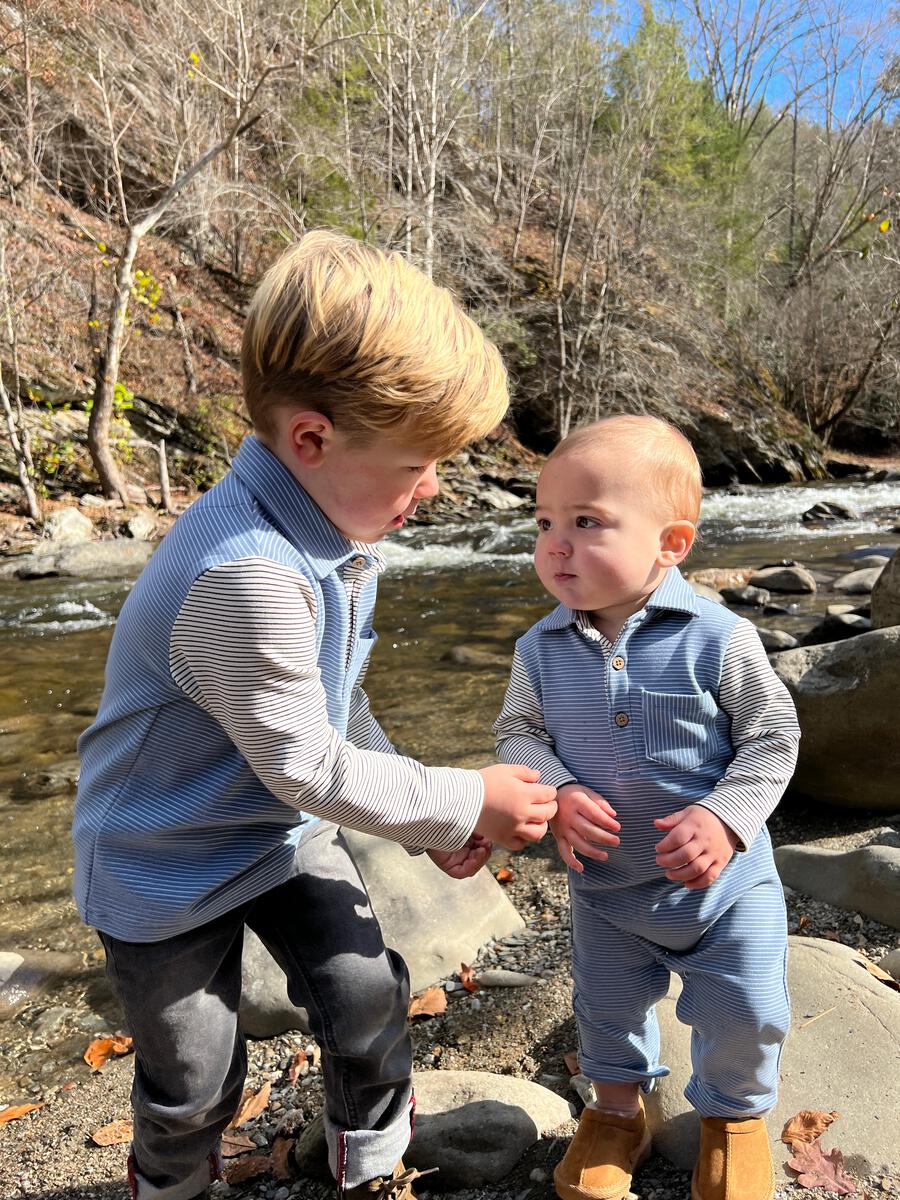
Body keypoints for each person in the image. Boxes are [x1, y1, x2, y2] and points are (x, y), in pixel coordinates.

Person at [73, 230, 558, 1200]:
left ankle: (371, 1171)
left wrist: (426, 826)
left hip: (274, 830)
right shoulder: (246, 571)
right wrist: (466, 801)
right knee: (195, 1079)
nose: (433, 490)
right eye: (419, 466)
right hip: (159, 861)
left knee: (368, 993)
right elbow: (309, 765)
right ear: (311, 440)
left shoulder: (332, 526)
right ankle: (169, 1186)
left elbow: (342, 706)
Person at [494, 415, 800, 1200]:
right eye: (544, 523)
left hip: (723, 891)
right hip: (607, 890)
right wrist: (556, 791)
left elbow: (772, 737)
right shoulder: (539, 649)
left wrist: (728, 817)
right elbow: (517, 734)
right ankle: (617, 1113)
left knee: (748, 1009)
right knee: (605, 1010)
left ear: (671, 544)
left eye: (587, 522)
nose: (555, 543)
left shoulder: (718, 638)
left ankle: (732, 1120)